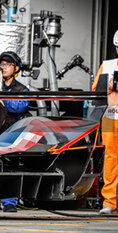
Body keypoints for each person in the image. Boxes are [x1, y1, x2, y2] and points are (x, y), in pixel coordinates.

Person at [0, 51, 30, 213]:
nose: (3, 67)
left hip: (11, 133)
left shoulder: (22, 89)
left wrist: (1, 98)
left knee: (10, 166)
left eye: (8, 64)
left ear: (16, 68)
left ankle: (9, 201)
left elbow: (20, 106)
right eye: (1, 64)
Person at [92, 30, 118, 215]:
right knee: (110, 158)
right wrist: (107, 86)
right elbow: (95, 90)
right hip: (110, 117)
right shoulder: (107, 66)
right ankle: (110, 201)